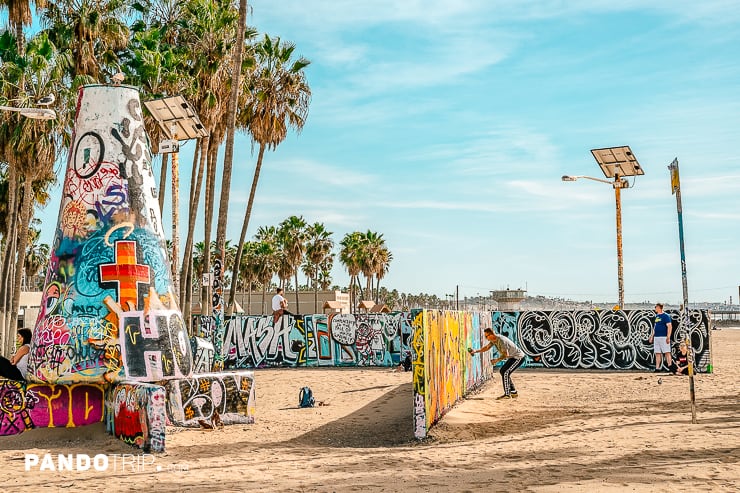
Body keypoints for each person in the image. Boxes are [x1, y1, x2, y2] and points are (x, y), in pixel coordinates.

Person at [468, 328, 526, 400]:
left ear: (491, 334)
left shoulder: (501, 341)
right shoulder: (494, 340)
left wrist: (496, 360)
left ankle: (507, 394)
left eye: (487, 336)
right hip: (513, 357)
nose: (486, 338)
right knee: (502, 371)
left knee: (506, 373)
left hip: (518, 358)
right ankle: (513, 392)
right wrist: (475, 351)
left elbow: (505, 355)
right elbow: (486, 348)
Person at [649, 303, 673, 372]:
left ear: (659, 307)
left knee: (667, 352)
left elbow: (669, 326)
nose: (655, 308)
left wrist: (668, 336)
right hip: (656, 337)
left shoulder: (666, 316)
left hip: (664, 337)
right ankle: (657, 368)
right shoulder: (656, 316)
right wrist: (652, 336)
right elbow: (655, 327)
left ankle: (670, 367)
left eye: (656, 307)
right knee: (657, 353)